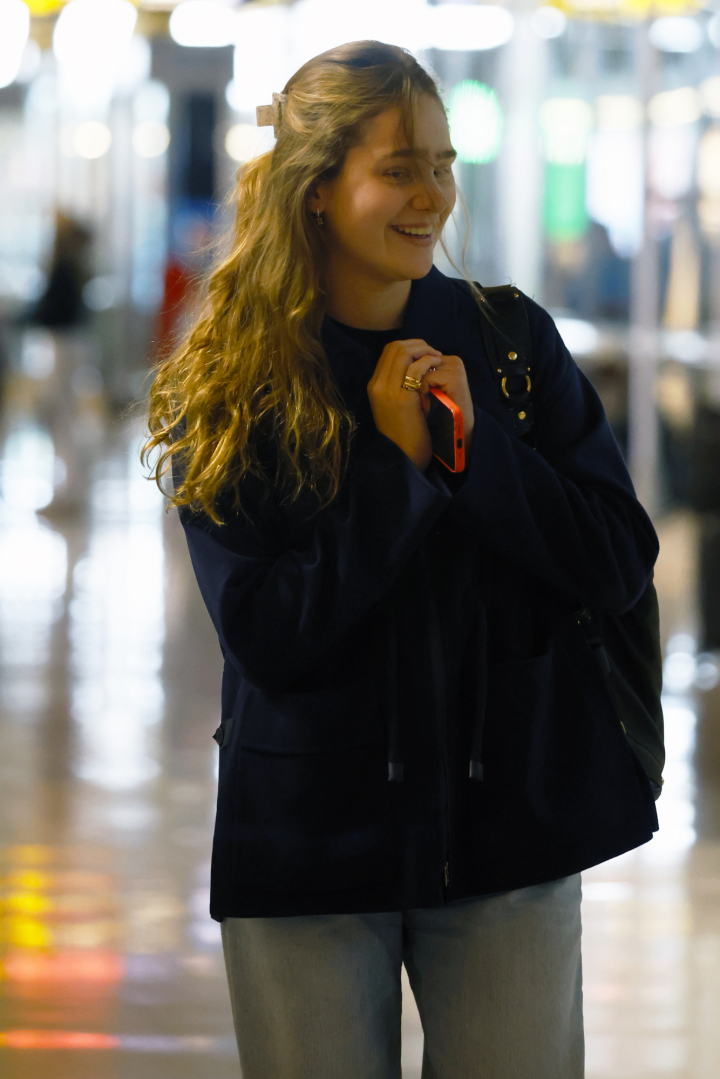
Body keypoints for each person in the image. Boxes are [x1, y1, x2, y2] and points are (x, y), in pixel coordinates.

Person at [143, 41, 659, 1079]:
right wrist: (397, 466)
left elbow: (615, 557)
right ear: (317, 187)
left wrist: (474, 455)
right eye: (398, 168)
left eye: (443, 163)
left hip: (508, 826)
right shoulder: (234, 383)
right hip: (308, 840)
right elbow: (270, 635)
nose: (432, 195)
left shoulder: (509, 344)